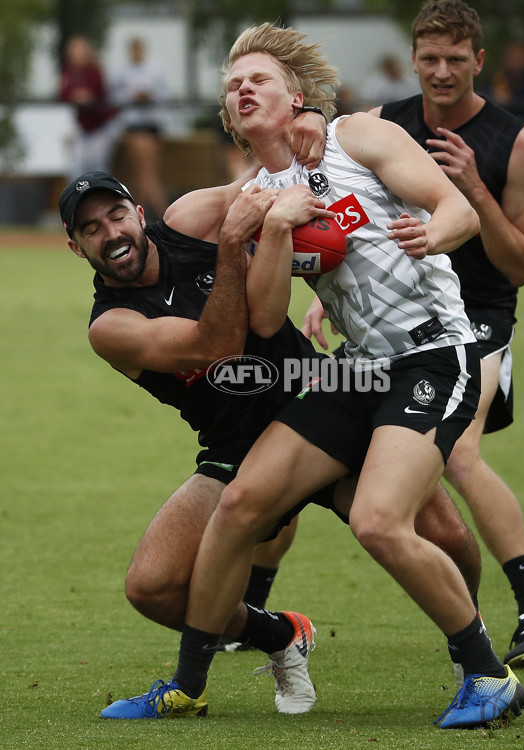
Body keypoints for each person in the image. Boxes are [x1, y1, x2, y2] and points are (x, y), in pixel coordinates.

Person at [144, 22, 524, 731]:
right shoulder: (258, 197)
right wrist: (275, 227)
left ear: (296, 94)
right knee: (240, 508)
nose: (242, 89)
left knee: (382, 522)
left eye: (258, 78)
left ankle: (486, 672)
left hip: (433, 351)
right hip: (358, 368)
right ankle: (187, 687)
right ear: (229, 116)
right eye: (233, 87)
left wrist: (431, 232)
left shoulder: (357, 135)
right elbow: (264, 318)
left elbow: (459, 209)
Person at [59, 165, 482, 719]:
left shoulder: (189, 222)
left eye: (116, 216)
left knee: (444, 534)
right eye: (91, 229)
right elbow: (217, 343)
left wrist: (309, 133)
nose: (110, 233)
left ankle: (471, 650)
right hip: (235, 447)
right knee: (151, 587)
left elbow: (265, 179)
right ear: (75, 246)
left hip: (325, 398)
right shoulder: (109, 326)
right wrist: (234, 244)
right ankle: (279, 635)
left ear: (139, 215)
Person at [364, 0, 524, 669]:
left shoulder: (515, 141)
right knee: (310, 427)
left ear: (479, 62)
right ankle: (246, 608)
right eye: (430, 58)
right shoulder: (381, 126)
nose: (442, 71)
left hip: (479, 317)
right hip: (398, 320)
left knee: (459, 455)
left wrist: (475, 192)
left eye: (456, 59)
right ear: (414, 58)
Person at [111, 37, 170, 219]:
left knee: (147, 173)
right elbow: (114, 98)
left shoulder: (155, 69)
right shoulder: (122, 72)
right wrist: (131, 96)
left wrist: (149, 95)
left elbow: (165, 94)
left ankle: (136, 215)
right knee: (146, 173)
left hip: (152, 125)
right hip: (134, 127)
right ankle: (164, 214)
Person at [59, 36, 119, 180]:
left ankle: (102, 200)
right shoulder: (67, 72)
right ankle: (78, 201)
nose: (77, 58)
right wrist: (76, 96)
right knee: (76, 166)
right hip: (82, 127)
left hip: (101, 126)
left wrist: (86, 97)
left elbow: (99, 93)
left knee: (98, 166)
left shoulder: (96, 71)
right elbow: (62, 95)